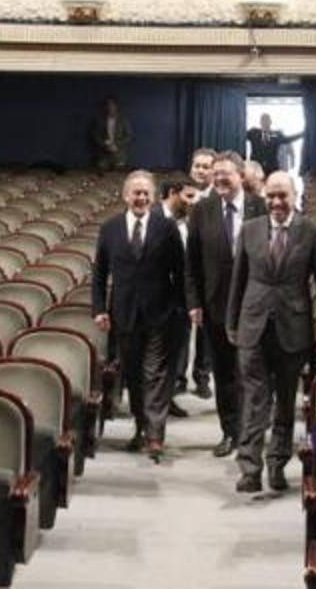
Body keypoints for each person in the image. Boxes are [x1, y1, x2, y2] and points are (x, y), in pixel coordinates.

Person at [226, 171, 316, 492]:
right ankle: (249, 468)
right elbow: (238, 281)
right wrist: (232, 322)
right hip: (253, 326)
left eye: (282, 196)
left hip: (294, 329)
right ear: (263, 196)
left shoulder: (312, 231)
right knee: (255, 399)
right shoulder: (249, 230)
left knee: (286, 401)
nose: (276, 202)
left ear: (294, 196)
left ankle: (277, 464)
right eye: (271, 195)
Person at [93, 170, 185, 461]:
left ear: (153, 197)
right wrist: (99, 309)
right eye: (136, 192)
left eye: (146, 193)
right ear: (125, 196)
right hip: (123, 313)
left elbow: (181, 272)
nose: (141, 197)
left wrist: (181, 307)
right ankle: (141, 426)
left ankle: (155, 435)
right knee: (133, 375)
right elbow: (99, 274)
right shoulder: (109, 228)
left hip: (161, 312)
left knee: (155, 374)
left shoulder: (166, 228)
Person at [186, 151, 267, 457]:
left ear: (241, 176)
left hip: (255, 305)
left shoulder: (260, 207)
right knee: (224, 372)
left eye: (226, 173)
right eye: (216, 173)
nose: (219, 178)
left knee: (252, 372)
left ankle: (250, 431)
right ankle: (230, 431)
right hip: (215, 304)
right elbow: (191, 262)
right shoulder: (202, 209)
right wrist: (194, 301)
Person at [159, 177, 199, 418]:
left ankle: (168, 397)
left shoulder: (187, 223)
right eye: (189, 197)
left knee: (176, 352)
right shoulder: (152, 218)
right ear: (173, 193)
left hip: (181, 300)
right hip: (157, 299)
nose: (193, 203)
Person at [185, 146, 219, 397]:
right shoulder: (179, 194)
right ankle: (177, 377)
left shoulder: (217, 199)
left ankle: (202, 376)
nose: (200, 170)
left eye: (206, 167)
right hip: (181, 271)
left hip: (207, 272)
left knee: (207, 329)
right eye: (197, 165)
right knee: (180, 328)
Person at [89, 96, 134, 170]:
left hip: (119, 153)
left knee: (119, 173)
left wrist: (117, 145)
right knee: (101, 170)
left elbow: (129, 136)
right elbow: (95, 135)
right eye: (108, 105)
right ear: (105, 107)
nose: (110, 107)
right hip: (103, 154)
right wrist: (104, 144)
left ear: (116, 106)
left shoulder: (123, 120)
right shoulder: (100, 120)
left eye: (112, 105)